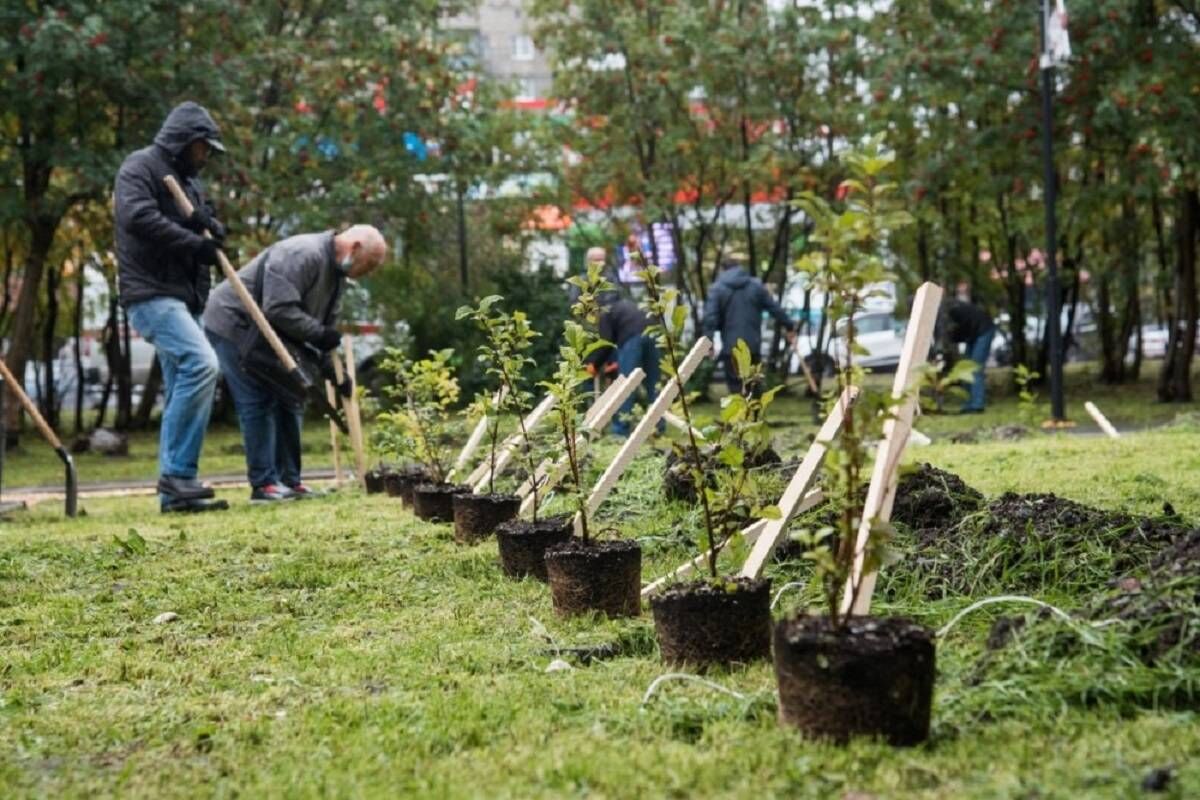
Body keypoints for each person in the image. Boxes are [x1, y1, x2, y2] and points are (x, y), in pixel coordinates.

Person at [203, 226, 388, 502]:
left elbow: (323, 330)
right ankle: (264, 485)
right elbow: (278, 308)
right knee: (258, 399)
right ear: (355, 248)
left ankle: (290, 481)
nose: (368, 272)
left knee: (292, 396)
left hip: (269, 332)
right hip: (234, 323)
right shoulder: (302, 253)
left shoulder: (337, 276)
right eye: (369, 264)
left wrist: (331, 371)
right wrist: (320, 335)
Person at [114, 101, 228, 513]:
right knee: (203, 365)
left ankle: (176, 493)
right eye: (204, 148)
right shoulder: (140, 167)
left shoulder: (188, 182)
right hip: (151, 294)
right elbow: (139, 217)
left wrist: (212, 227)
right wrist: (194, 241)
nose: (207, 156)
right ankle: (178, 474)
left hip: (186, 297)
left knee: (184, 382)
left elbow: (202, 223)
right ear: (186, 141)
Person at [702, 254, 797, 394]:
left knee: (736, 388)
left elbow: (711, 317)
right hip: (753, 345)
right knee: (753, 386)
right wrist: (789, 326)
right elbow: (774, 308)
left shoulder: (718, 289)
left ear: (723, 270)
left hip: (731, 347)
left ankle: (740, 415)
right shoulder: (755, 286)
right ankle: (754, 415)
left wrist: (708, 342)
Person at [590, 288, 661, 437]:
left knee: (626, 386)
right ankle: (659, 426)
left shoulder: (606, 312)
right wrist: (614, 362)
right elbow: (615, 342)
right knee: (654, 383)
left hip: (632, 340)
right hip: (652, 335)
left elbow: (606, 343)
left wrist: (594, 365)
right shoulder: (627, 305)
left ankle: (621, 430)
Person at [945, 297, 996, 413]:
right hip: (973, 334)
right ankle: (968, 403)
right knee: (965, 368)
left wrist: (952, 338)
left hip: (984, 331)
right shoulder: (952, 309)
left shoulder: (953, 311)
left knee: (975, 368)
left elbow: (962, 329)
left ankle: (977, 404)